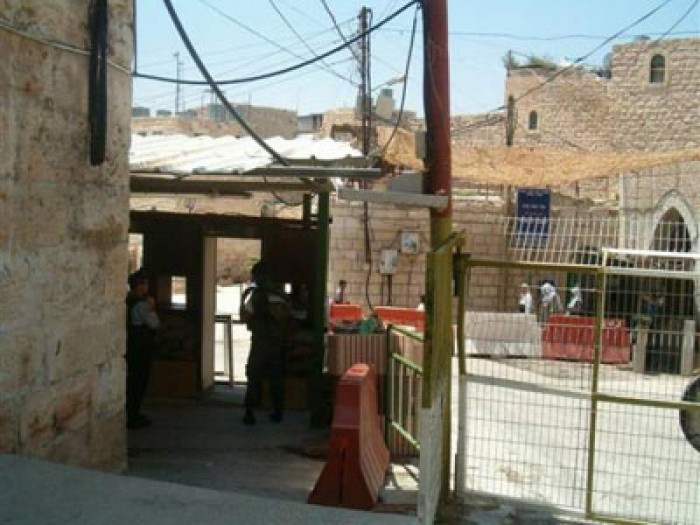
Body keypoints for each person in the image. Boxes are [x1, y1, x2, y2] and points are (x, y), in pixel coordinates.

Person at [240, 261, 291, 425]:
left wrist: (242, 300)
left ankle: (249, 413)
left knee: (253, 376)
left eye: (255, 276)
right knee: (276, 378)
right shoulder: (281, 295)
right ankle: (278, 412)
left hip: (260, 342)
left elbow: (245, 317)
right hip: (277, 343)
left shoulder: (256, 295)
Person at [125, 268, 160, 429]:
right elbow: (154, 324)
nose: (146, 286)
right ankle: (133, 416)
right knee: (138, 382)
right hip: (140, 346)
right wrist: (152, 308)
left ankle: (133, 414)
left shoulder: (129, 301)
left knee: (134, 381)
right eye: (144, 283)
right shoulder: (141, 305)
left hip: (133, 345)